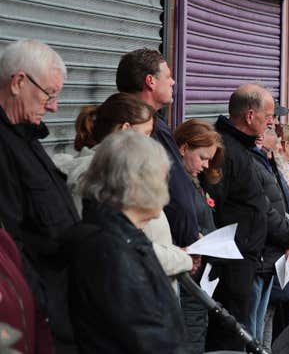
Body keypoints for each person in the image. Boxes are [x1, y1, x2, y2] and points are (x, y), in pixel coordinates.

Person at [57, 93, 194, 294]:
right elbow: (121, 245)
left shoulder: (115, 172)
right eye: (147, 134)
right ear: (126, 130)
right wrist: (179, 258)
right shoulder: (97, 176)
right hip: (131, 293)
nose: (151, 144)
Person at [69, 131, 186, 353]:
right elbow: (146, 337)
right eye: (162, 178)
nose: (167, 187)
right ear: (139, 184)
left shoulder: (122, 235)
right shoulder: (110, 249)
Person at [0, 40, 80, 351]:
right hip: (41, 314)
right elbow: (10, 245)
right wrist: (41, 310)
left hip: (60, 303)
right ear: (19, 82)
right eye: (49, 94)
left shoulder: (25, 135)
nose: (54, 107)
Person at [203, 83, 273, 351]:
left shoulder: (240, 147)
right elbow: (214, 204)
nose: (271, 121)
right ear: (249, 116)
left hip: (244, 257)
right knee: (229, 334)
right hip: (230, 261)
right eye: (267, 115)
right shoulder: (225, 149)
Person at [116, 49, 199, 248]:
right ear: (150, 81)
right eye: (168, 76)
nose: (173, 82)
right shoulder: (145, 129)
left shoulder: (153, 124)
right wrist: (186, 242)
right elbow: (172, 188)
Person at [174, 119, 225, 354]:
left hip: (199, 279)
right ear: (184, 149)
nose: (206, 165)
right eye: (203, 157)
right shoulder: (176, 185)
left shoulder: (192, 183)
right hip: (187, 279)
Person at [249, 127, 289, 342]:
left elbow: (284, 206)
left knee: (265, 319)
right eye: (272, 130)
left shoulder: (270, 164)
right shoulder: (257, 164)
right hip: (264, 253)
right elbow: (269, 210)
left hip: (274, 251)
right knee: (255, 323)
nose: (279, 142)